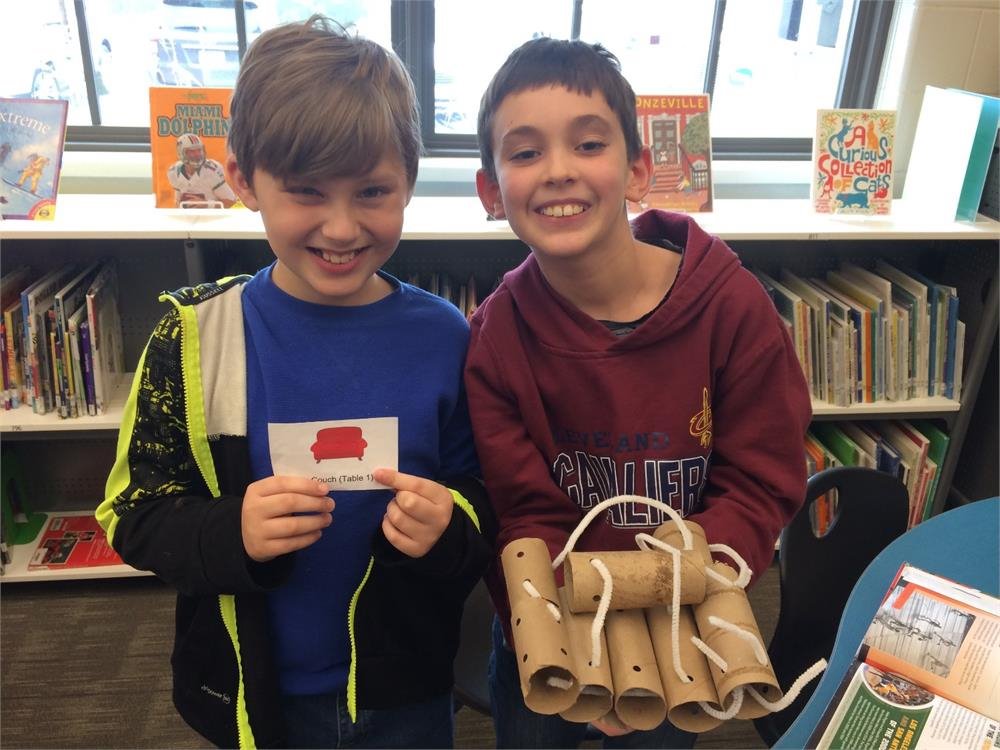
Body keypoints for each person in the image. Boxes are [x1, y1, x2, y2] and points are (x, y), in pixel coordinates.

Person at [96, 16, 493, 750]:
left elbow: (483, 493)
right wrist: (231, 532)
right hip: (254, 693)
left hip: (406, 688)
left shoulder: (447, 336)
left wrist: (451, 525)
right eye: (307, 191)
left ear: (408, 181)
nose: (341, 229)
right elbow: (131, 511)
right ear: (245, 179)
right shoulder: (195, 338)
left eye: (373, 192)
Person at [465, 37, 811, 749]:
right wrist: (574, 645)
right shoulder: (495, 336)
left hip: (685, 620)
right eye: (525, 153)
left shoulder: (732, 308)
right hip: (551, 624)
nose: (559, 172)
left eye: (588, 145)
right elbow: (520, 511)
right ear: (492, 193)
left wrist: (675, 605)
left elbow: (761, 477)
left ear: (638, 170)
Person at [168, 132, 238, 208]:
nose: (197, 154)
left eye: (199, 150)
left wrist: (206, 204)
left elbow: (231, 203)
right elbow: (178, 203)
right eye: (191, 151)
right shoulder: (174, 171)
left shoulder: (212, 171)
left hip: (213, 217)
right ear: (181, 153)